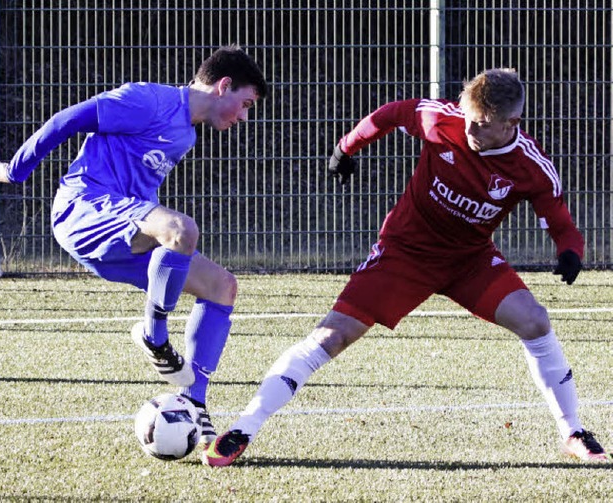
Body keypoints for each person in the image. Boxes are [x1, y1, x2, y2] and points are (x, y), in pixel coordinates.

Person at [203, 68, 610, 466]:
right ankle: (244, 427)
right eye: (468, 119)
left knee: (536, 321)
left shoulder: (531, 166)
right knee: (331, 336)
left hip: (470, 261)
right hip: (404, 253)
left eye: (482, 125)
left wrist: (569, 251)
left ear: (511, 123)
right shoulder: (442, 120)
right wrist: (346, 148)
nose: (470, 130)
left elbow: (561, 222)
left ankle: (572, 431)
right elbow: (392, 113)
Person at [0, 44, 268, 446]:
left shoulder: (185, 134)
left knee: (223, 286)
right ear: (224, 85)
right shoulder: (148, 100)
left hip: (122, 234)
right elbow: (68, 119)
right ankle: (154, 335)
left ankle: (194, 404)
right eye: (246, 104)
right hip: (84, 211)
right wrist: (15, 170)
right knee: (181, 229)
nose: (243, 117)